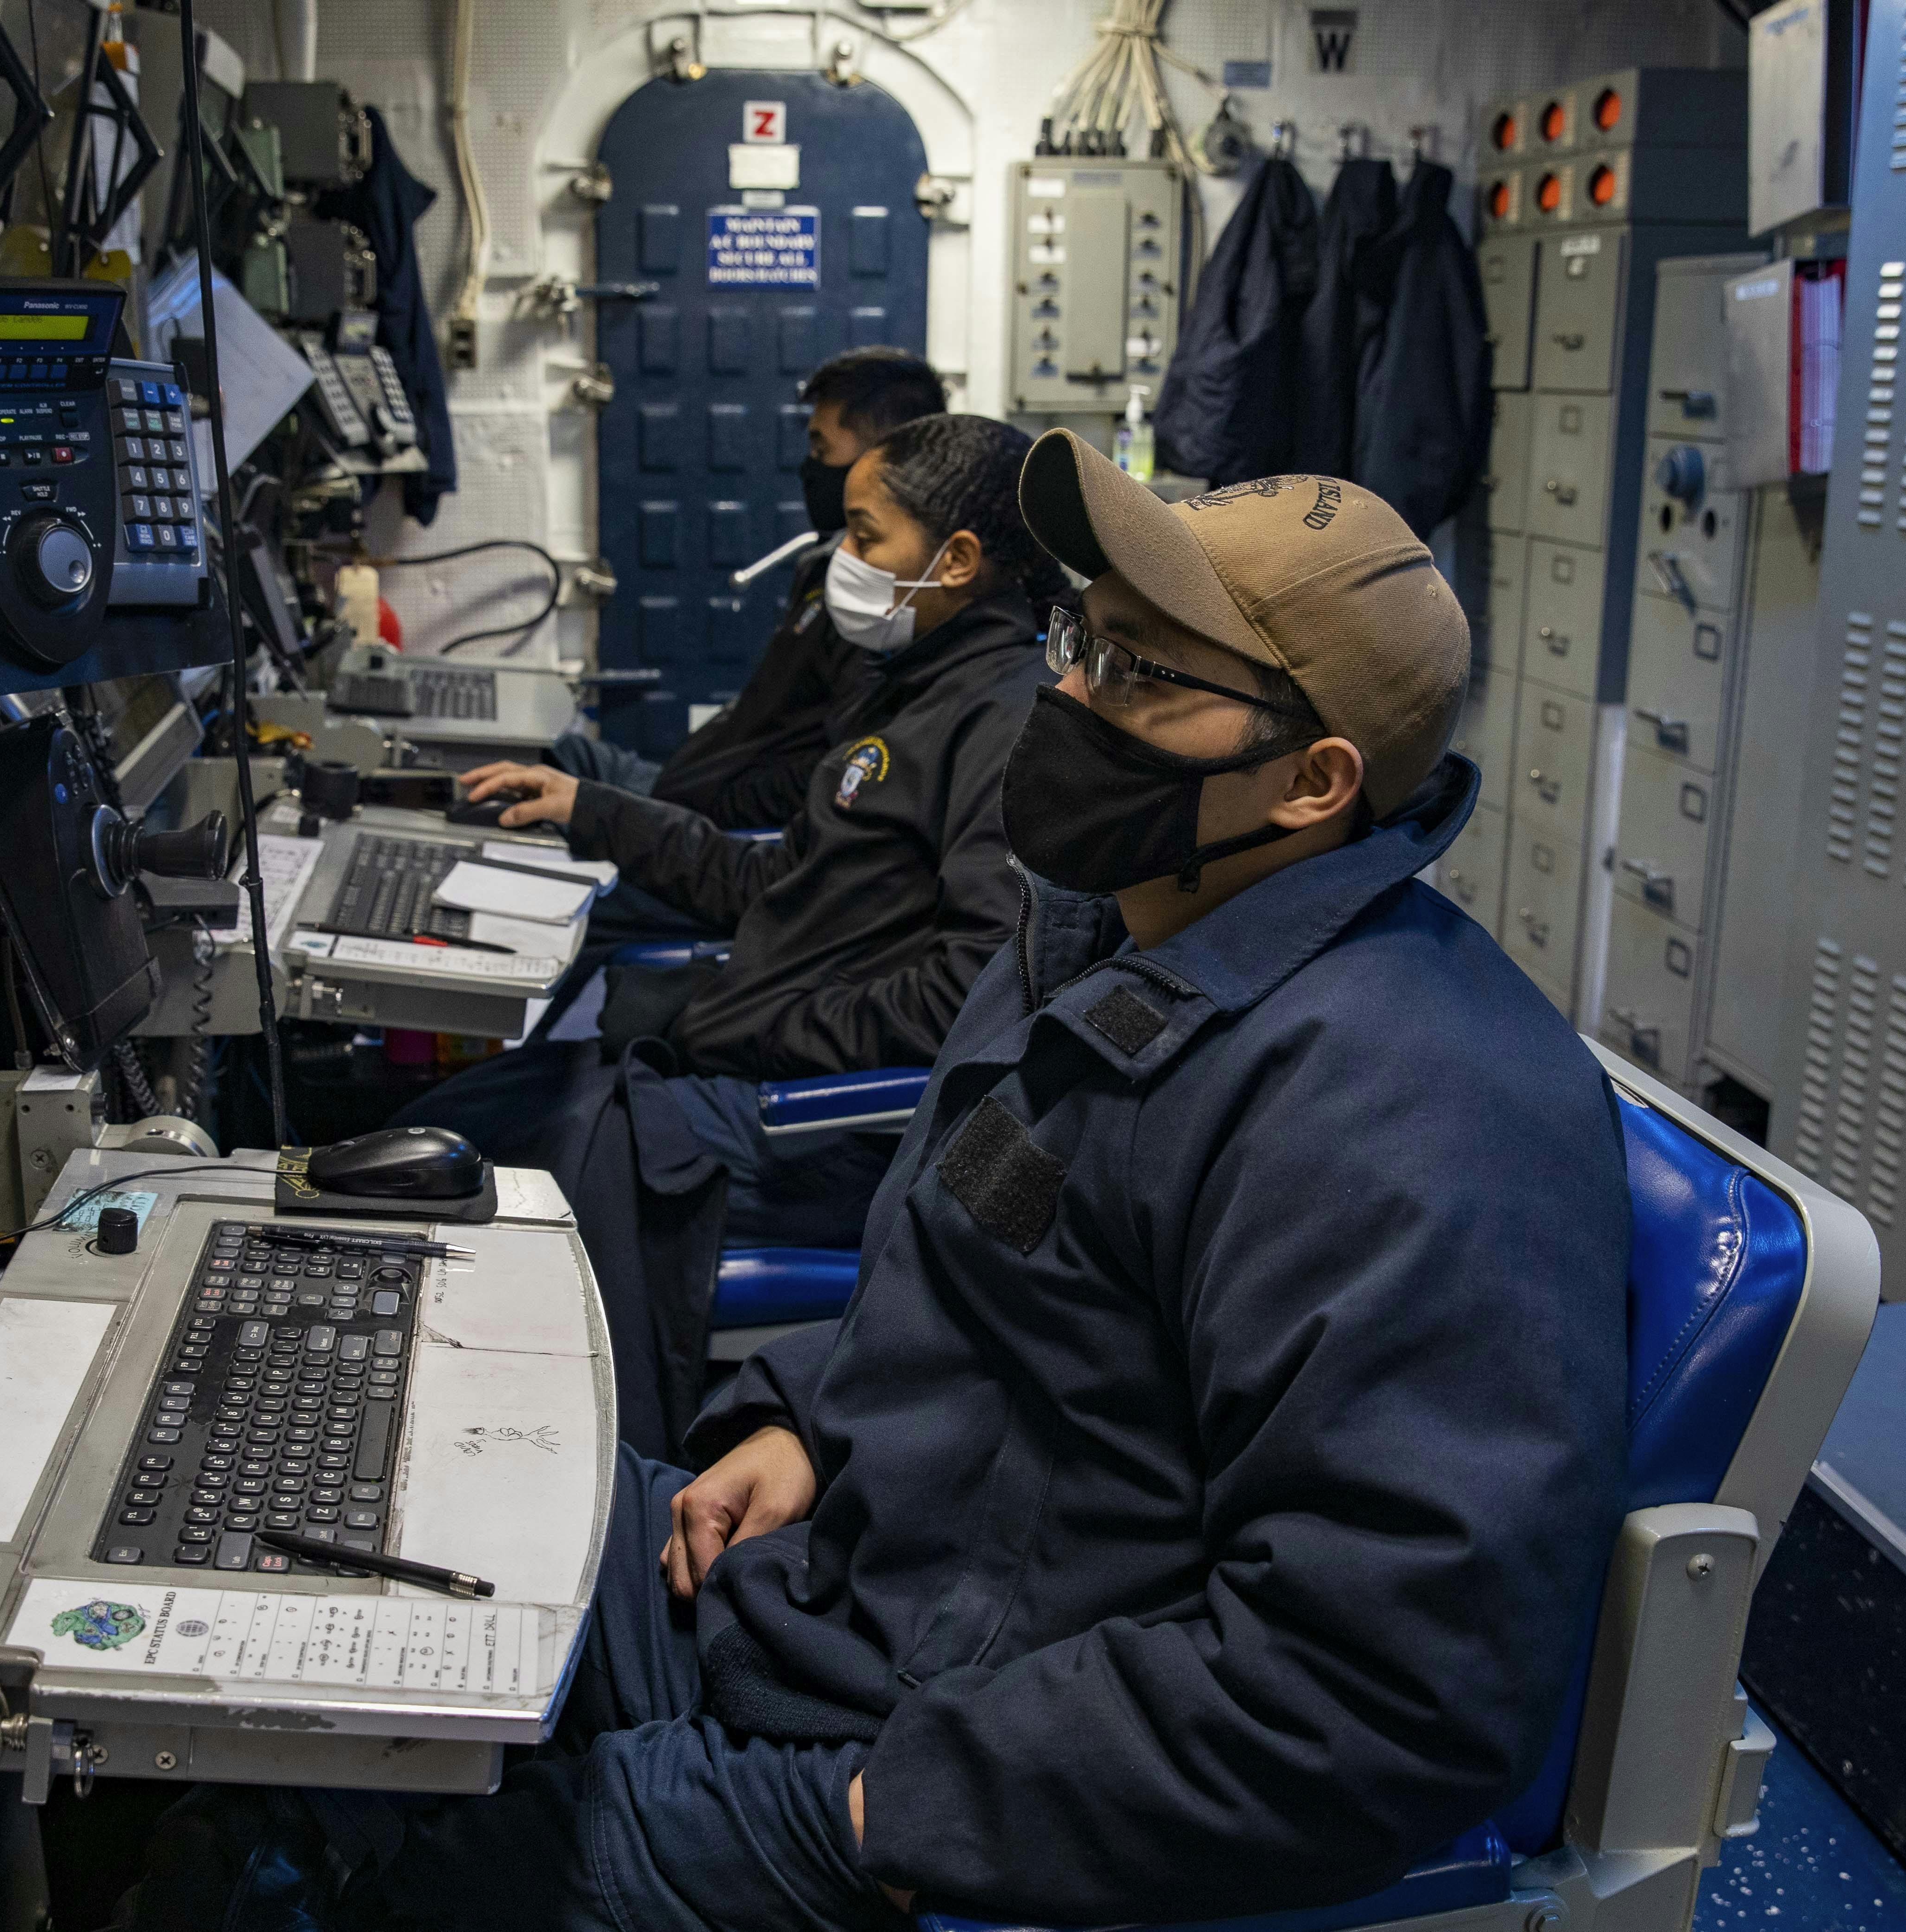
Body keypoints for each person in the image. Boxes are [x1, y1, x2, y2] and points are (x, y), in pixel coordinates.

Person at [114, 443, 1631, 1932]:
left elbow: (1377, 1700)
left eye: (1140, 674)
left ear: (1309, 783)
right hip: (829, 1591)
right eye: (1078, 638)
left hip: (913, 1754)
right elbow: (982, 1273)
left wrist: (882, 1822)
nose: (1065, 695)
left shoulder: (1415, 1113)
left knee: (409, 1884)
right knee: (315, 1628)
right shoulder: (1109, 940)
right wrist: (799, 1424)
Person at [396, 413, 1058, 1453]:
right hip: (739, 1070)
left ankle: (526, 1464)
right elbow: (772, 879)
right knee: (435, 1126)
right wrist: (590, 808)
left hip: (808, 1124)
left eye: (863, 535)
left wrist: (760, 1028)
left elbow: (971, 990)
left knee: (460, 1177)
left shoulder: (1004, 721)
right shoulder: (917, 695)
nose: (843, 561)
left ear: (958, 558)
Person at [545, 346, 949, 831]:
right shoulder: (823, 570)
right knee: (550, 750)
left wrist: (695, 820)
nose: (809, 467)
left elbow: (837, 774)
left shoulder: (883, 598)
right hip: (684, 794)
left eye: (822, 451)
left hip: (715, 830)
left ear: (881, 455)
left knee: (547, 824)